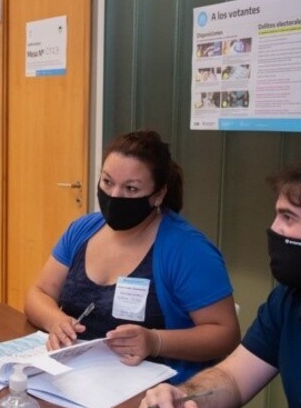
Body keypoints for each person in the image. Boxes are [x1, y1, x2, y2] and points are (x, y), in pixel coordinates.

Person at [137, 151, 301, 408]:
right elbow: (232, 379)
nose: (274, 229)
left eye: (289, 218)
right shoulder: (291, 300)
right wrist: (180, 397)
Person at [24, 130, 240, 384]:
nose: (115, 196)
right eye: (107, 182)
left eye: (131, 188)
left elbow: (226, 334)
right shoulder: (82, 230)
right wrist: (55, 320)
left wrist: (155, 341)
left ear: (158, 194)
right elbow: (38, 293)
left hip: (153, 394)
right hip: (76, 381)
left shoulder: (188, 250)